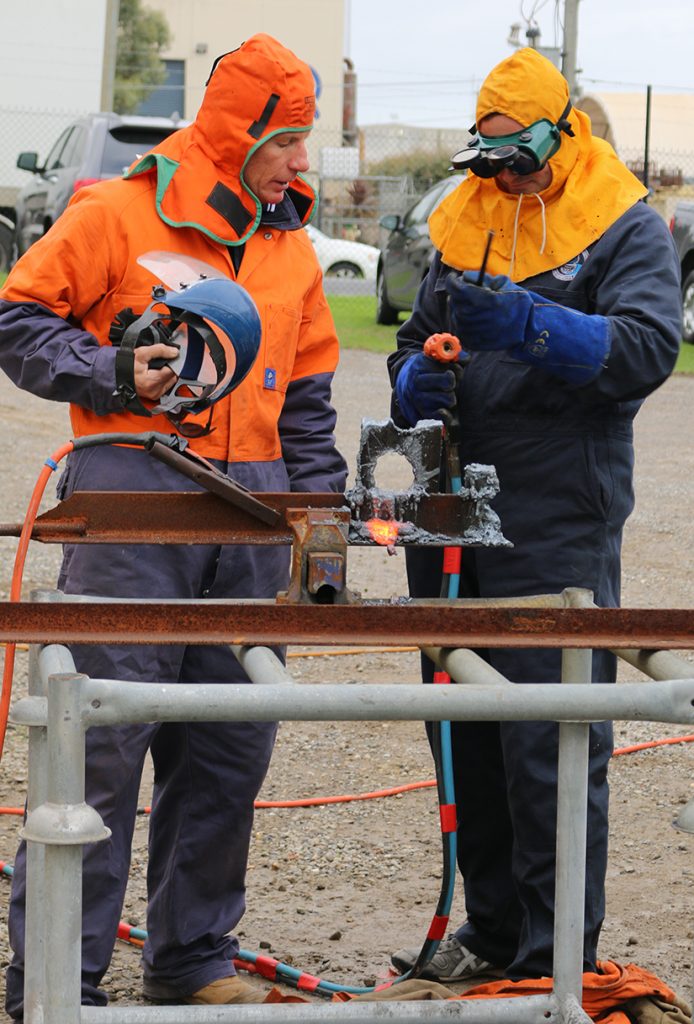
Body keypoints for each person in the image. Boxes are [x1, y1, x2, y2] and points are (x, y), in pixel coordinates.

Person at [0, 33, 347, 1015]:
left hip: (251, 516)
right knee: (98, 747)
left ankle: (192, 960)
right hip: (132, 501)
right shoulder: (114, 211)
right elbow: (18, 321)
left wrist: (316, 520)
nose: (298, 161)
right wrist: (113, 372)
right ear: (238, 134)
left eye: (302, 141)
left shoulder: (288, 248)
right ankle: (57, 977)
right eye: (286, 140)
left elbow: (311, 399)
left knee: (228, 748)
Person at [387, 47, 682, 985]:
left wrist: (528, 325)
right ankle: (492, 927)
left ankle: (556, 957)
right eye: (493, 159)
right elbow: (409, 338)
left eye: (521, 159)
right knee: (464, 729)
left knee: (549, 735)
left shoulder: (625, 223)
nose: (506, 176)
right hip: (447, 504)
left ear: (563, 135)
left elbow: (645, 351)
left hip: (556, 505)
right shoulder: (463, 219)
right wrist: (414, 378)